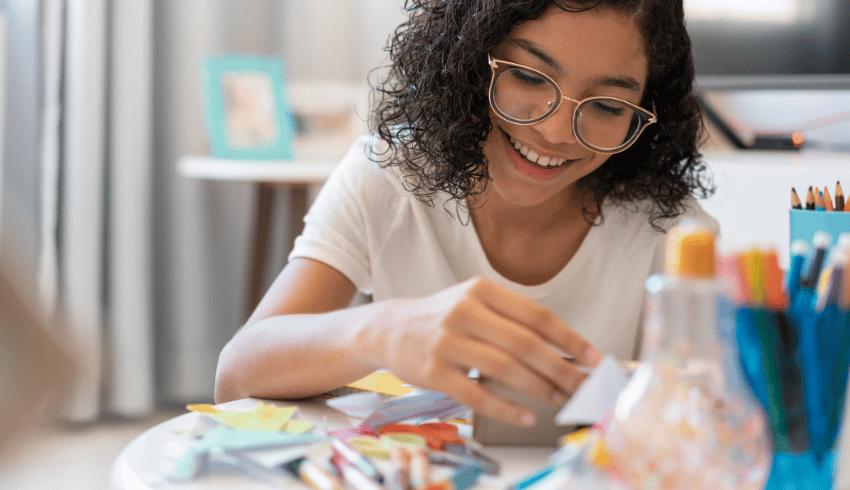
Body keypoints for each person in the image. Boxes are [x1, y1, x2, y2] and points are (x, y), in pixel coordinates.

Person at [215, 0, 717, 428]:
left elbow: (711, 423)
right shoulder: (391, 174)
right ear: (471, 57)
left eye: (608, 106)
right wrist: (382, 329)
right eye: (527, 76)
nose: (558, 131)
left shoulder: (674, 233)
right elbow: (237, 377)